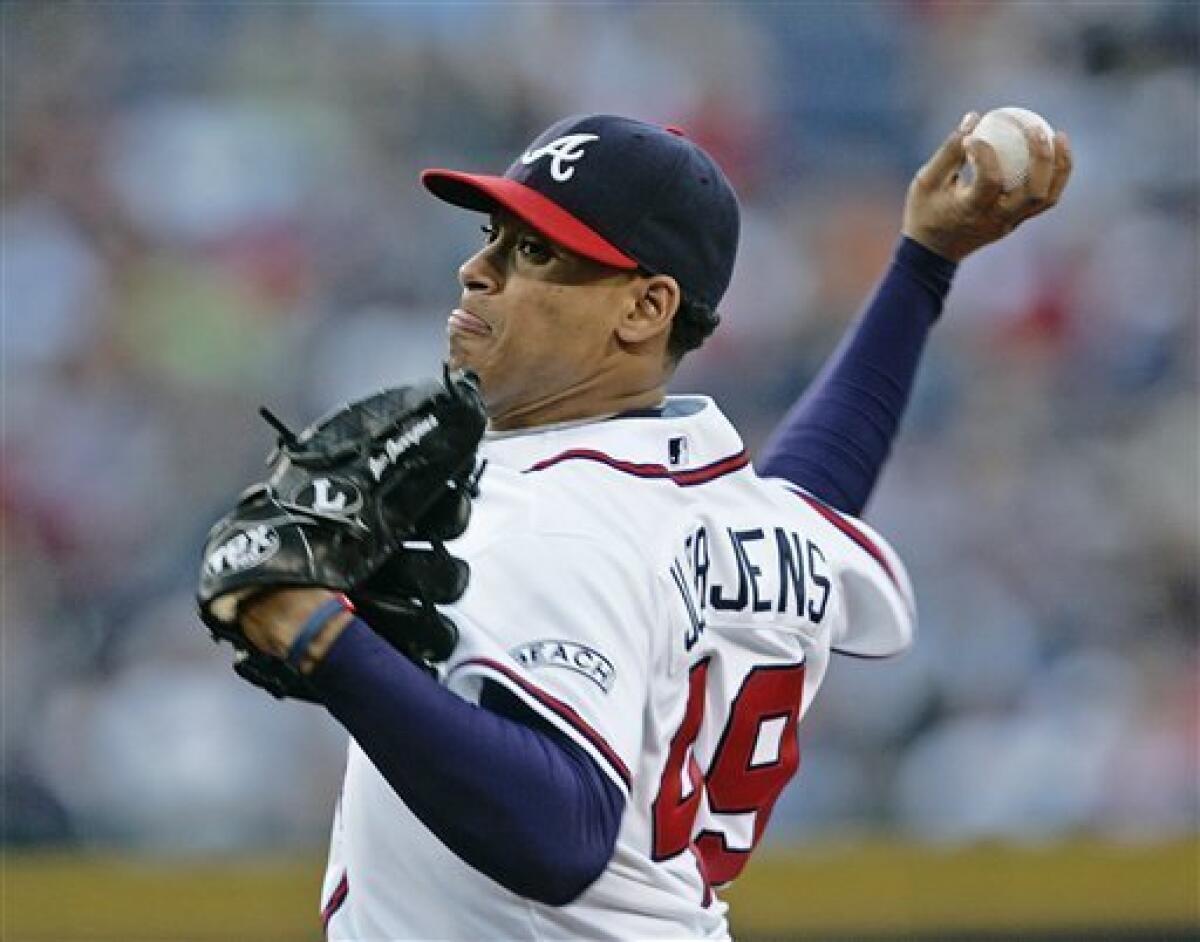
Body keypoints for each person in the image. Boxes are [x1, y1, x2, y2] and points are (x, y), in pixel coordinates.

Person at [235, 112, 1071, 939]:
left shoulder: (554, 516)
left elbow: (562, 837)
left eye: (532, 252)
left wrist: (322, 640)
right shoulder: (714, 501)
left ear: (645, 308)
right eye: (492, 236)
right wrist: (924, 263)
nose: (475, 270)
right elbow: (821, 481)